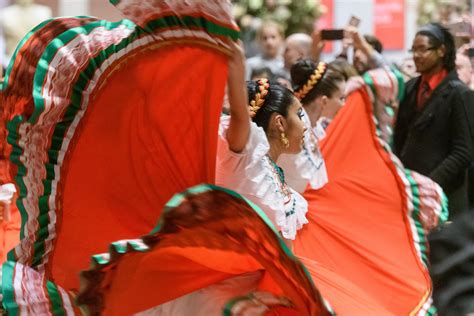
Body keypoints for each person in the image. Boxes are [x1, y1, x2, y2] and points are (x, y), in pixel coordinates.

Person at [393, 23, 473, 216]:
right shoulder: (410, 88)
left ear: (441, 51)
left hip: (445, 198)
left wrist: (429, 184)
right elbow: (399, 140)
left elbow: (463, 152)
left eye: (423, 49)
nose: (416, 55)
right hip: (410, 193)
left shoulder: (460, 93)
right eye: (413, 50)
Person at [290, 59, 346, 140]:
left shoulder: (317, 126)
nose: (344, 104)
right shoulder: (298, 133)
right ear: (324, 101)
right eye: (342, 98)